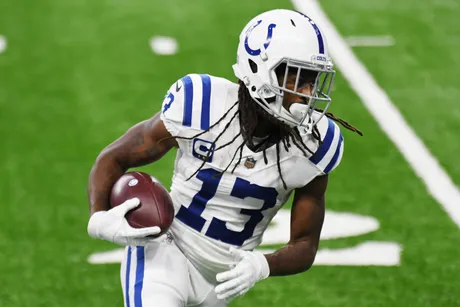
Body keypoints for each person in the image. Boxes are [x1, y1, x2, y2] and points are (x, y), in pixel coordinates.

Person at [87, 8, 362, 307]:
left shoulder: (316, 143)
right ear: (261, 72)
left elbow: (305, 245)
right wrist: (99, 216)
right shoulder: (202, 105)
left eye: (314, 81)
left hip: (222, 284)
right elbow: (114, 157)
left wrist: (263, 265)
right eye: (298, 79)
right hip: (165, 253)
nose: (308, 94)